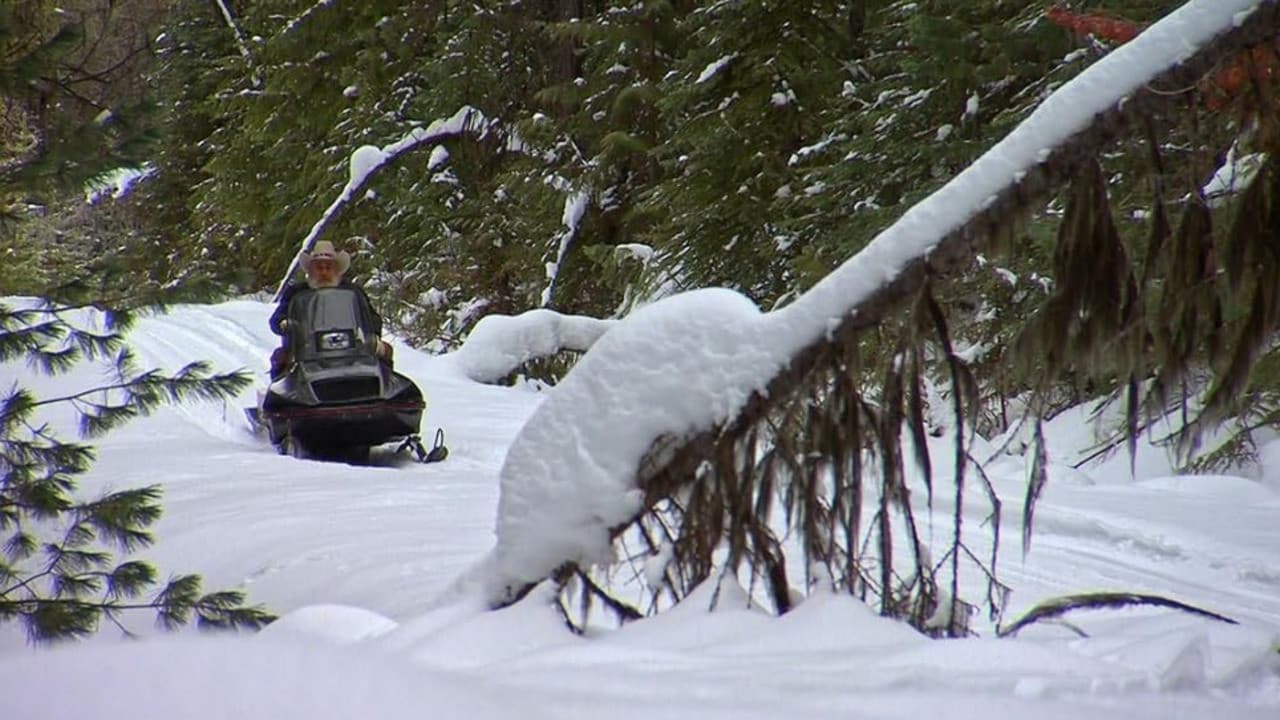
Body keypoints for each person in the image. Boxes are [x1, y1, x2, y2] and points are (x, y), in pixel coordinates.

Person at [268, 240, 391, 377]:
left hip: (351, 343)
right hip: (305, 346)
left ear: (337, 269)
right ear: (310, 269)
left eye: (328, 267)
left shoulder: (353, 291)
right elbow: (277, 318)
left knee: (385, 350)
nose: (324, 271)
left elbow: (371, 316)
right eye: (319, 267)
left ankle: (386, 383)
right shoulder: (296, 292)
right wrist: (284, 323)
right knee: (280, 356)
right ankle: (279, 391)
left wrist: (371, 333)